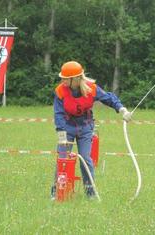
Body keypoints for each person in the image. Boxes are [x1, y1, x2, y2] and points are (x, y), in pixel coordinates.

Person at [51, 61, 131, 199]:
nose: (62, 80)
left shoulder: (91, 89)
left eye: (65, 78)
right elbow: (58, 114)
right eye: (62, 77)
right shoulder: (60, 91)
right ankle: (57, 191)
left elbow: (109, 98)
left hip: (85, 127)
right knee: (62, 158)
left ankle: (90, 192)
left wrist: (122, 109)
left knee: (85, 159)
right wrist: (61, 135)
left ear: (75, 79)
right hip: (65, 128)